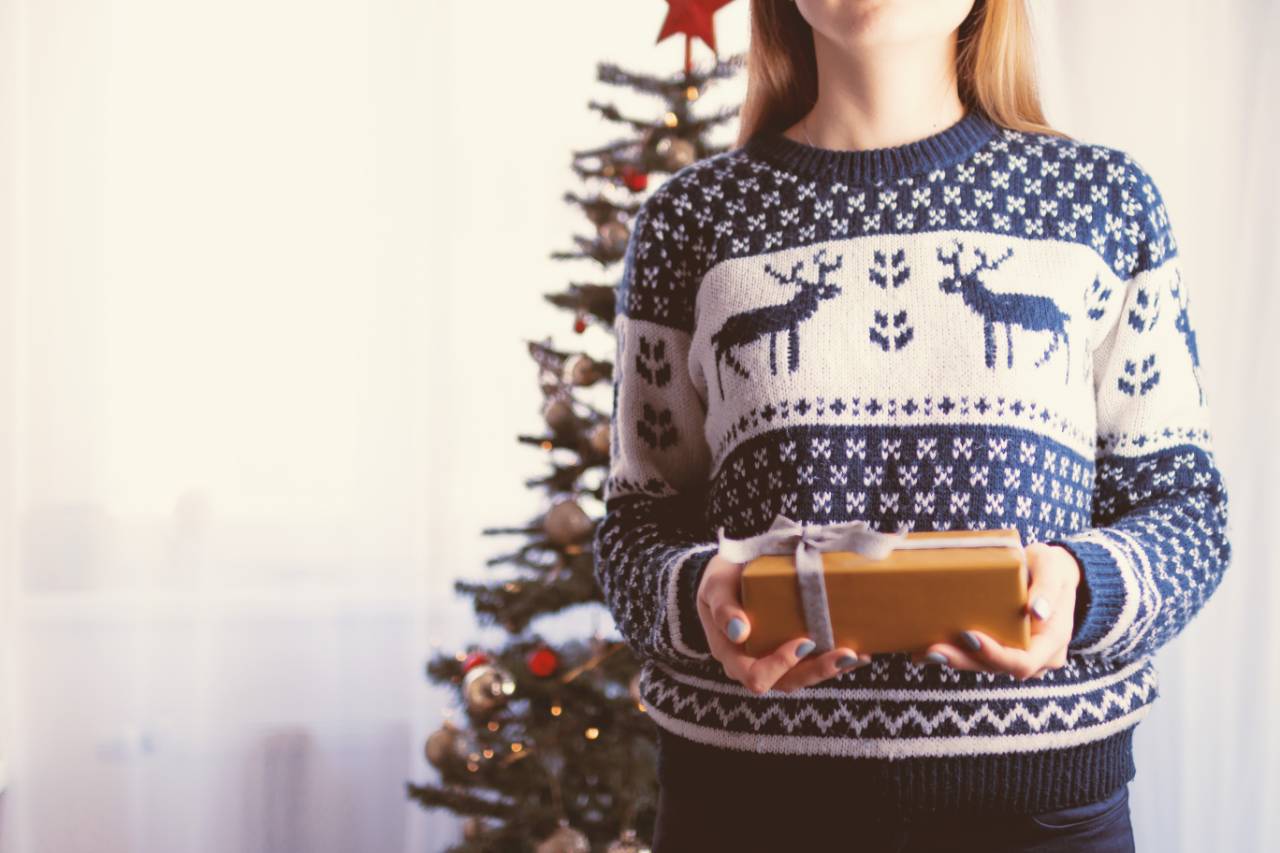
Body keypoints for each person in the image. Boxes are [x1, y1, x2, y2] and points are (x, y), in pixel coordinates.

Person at [591, 0, 1232, 850]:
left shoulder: (1103, 204)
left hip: (1036, 811)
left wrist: (1084, 584)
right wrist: (694, 595)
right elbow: (636, 523)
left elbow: (1187, 505)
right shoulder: (691, 221)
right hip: (743, 806)